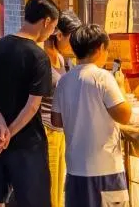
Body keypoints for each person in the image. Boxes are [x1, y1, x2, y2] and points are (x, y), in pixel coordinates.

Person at [0, 0, 60, 207]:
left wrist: (1, 126)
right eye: (53, 27)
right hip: (27, 143)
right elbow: (32, 106)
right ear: (46, 22)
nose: (52, 33)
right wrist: (9, 134)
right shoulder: (38, 56)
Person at [51, 24, 132, 207]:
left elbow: (56, 120)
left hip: (74, 171)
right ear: (100, 48)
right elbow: (124, 116)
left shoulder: (64, 80)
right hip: (105, 170)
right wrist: (121, 87)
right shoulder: (103, 77)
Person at [42, 11, 82, 207]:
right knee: (48, 188)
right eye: (71, 38)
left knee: (58, 191)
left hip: (60, 131)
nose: (74, 44)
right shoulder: (41, 58)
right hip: (45, 130)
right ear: (59, 35)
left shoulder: (62, 58)